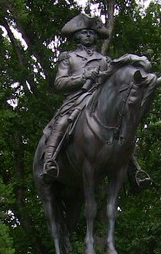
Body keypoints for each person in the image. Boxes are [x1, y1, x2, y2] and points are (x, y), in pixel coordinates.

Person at [40, 13, 151, 189]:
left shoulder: (105, 60)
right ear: (77, 36)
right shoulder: (69, 57)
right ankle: (50, 161)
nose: (89, 35)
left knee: (122, 129)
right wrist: (84, 76)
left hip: (100, 101)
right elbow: (59, 83)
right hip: (77, 99)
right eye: (85, 32)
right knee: (62, 123)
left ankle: (134, 171)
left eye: (92, 33)